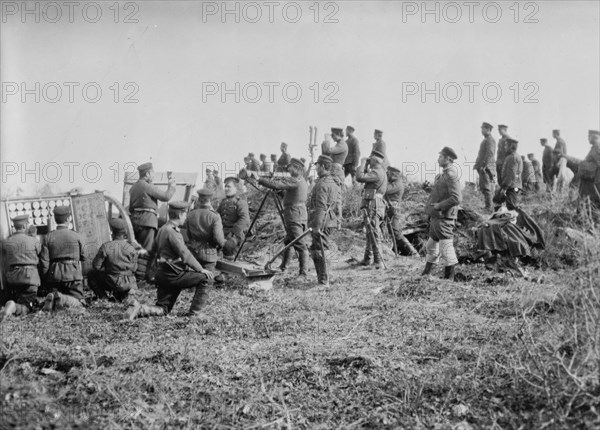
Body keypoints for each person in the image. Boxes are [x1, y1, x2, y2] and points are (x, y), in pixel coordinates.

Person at [126, 201, 215, 320]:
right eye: (184, 215)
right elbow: (185, 254)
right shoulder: (173, 232)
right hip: (174, 275)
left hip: (163, 274)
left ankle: (140, 308)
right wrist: (201, 269)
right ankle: (195, 313)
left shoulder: (163, 229)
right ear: (179, 215)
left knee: (164, 309)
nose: (185, 218)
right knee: (206, 279)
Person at [256, 158, 310, 275]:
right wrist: (279, 192)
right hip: (299, 213)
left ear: (297, 168)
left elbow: (277, 184)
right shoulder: (302, 181)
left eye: (290, 167)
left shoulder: (295, 180)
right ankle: (283, 267)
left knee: (300, 244)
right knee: (289, 241)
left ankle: (303, 273)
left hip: (293, 214)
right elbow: (289, 195)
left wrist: (259, 179)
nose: (288, 169)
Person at [421, 147, 462, 281]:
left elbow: (456, 198)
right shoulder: (442, 176)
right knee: (431, 246)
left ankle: (449, 278)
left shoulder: (451, 175)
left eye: (440, 157)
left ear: (448, 159)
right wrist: (429, 189)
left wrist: (439, 206)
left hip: (444, 217)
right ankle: (426, 274)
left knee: (446, 248)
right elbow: (440, 194)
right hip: (437, 217)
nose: (438, 159)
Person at [39, 206, 86, 311]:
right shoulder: (77, 236)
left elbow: (44, 262)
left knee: (56, 302)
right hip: (73, 275)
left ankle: (57, 298)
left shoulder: (48, 237)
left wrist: (47, 278)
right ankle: (63, 299)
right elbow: (84, 256)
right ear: (68, 219)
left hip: (54, 275)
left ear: (55, 220)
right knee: (79, 304)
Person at [0, 215, 42, 320]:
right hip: (29, 278)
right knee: (28, 306)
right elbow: (40, 253)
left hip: (13, 277)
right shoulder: (33, 240)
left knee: (21, 297)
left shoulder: (6, 242)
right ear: (24, 225)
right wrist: (33, 236)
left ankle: (11, 305)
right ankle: (14, 307)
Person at [87, 218, 138, 303]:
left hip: (113, 282)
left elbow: (96, 266)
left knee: (91, 274)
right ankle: (124, 295)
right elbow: (134, 269)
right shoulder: (132, 248)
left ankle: (103, 298)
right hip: (129, 283)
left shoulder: (106, 247)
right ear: (124, 232)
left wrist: (108, 268)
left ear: (112, 232)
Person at [129, 162, 176, 252]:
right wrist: (172, 186)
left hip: (134, 222)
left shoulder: (133, 188)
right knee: (147, 251)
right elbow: (166, 197)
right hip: (148, 222)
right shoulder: (147, 186)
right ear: (147, 174)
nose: (153, 176)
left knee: (136, 250)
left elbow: (131, 209)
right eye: (152, 173)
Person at [308, 155, 339, 286]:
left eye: (317, 165)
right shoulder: (332, 181)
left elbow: (320, 206)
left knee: (321, 250)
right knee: (318, 249)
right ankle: (323, 279)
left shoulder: (322, 183)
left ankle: (324, 281)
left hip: (323, 221)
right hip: (329, 219)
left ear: (323, 166)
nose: (316, 168)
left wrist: (316, 226)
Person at [183, 189, 225, 283]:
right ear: (210, 201)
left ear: (199, 200)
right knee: (207, 280)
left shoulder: (190, 214)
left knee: (194, 277)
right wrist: (221, 246)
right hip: (209, 254)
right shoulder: (215, 216)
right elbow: (219, 239)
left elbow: (188, 234)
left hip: (193, 251)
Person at [356, 150, 388, 268]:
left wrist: (362, 163)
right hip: (374, 203)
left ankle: (378, 261)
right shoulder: (380, 171)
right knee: (370, 231)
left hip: (373, 204)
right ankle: (367, 258)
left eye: (370, 159)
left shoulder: (377, 173)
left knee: (373, 231)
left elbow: (359, 177)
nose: (369, 160)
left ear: (375, 160)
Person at [385, 166, 418, 256]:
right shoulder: (393, 182)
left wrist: (382, 180)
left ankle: (413, 253)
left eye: (388, 173)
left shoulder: (397, 183)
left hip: (393, 210)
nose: (387, 174)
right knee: (390, 231)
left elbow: (386, 189)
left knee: (396, 232)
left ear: (394, 174)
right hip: (389, 209)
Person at [217, 177, 250, 260]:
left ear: (236, 188)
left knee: (228, 246)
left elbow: (245, 219)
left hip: (235, 234)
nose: (226, 188)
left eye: (229, 186)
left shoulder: (240, 201)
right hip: (222, 232)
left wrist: (232, 233)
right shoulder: (223, 202)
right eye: (225, 186)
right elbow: (217, 216)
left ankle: (230, 263)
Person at [322, 127, 347, 224]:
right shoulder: (339, 144)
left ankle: (338, 220)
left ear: (338, 134)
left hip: (336, 171)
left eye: (333, 135)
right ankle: (333, 219)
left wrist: (326, 140)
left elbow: (328, 151)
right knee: (332, 195)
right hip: (334, 170)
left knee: (336, 197)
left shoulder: (342, 145)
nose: (332, 137)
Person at [474, 122, 497, 213]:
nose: (482, 131)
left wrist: (484, 165)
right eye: (481, 129)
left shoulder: (489, 140)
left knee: (487, 187)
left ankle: (489, 207)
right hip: (485, 167)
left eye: (483, 129)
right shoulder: (487, 140)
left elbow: (490, 153)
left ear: (488, 130)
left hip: (486, 168)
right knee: (485, 187)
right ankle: (488, 206)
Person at [577, 130, 600, 208]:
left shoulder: (597, 148)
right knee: (583, 200)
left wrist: (597, 181)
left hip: (591, 181)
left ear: (593, 137)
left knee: (593, 202)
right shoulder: (594, 148)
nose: (588, 139)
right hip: (587, 180)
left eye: (589, 137)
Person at [499, 138, 523, 210]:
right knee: (511, 206)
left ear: (511, 146)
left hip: (511, 186)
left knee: (511, 208)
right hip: (513, 185)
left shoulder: (512, 157)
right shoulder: (515, 156)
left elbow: (511, 175)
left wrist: (504, 188)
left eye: (506, 145)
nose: (505, 147)